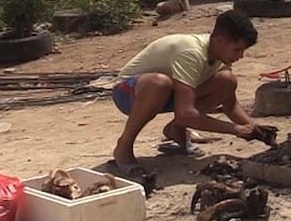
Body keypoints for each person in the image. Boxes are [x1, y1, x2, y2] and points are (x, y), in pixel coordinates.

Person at [110, 10, 268, 174]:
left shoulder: (219, 56)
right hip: (128, 93)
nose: (241, 56)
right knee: (159, 83)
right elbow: (185, 113)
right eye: (237, 49)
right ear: (219, 41)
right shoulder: (192, 52)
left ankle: (175, 130)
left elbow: (230, 105)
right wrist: (235, 129)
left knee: (227, 81)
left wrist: (255, 128)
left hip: (168, 93)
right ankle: (123, 148)